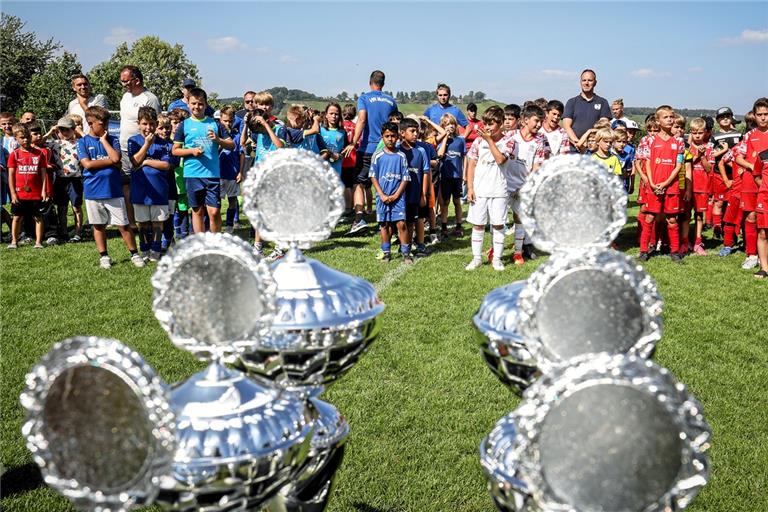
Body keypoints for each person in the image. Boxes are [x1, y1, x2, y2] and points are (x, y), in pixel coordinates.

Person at [77, 106, 145, 268]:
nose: (105, 127)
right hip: (93, 191)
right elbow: (87, 164)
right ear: (90, 123)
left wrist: (103, 142)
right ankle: (104, 256)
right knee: (99, 226)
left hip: (114, 190)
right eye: (102, 124)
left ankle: (134, 254)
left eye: (107, 123)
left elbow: (115, 158)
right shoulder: (82, 142)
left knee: (123, 225)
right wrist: (110, 162)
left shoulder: (112, 140)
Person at [171, 87, 234, 235]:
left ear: (205, 105)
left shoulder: (215, 124)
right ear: (188, 104)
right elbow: (175, 150)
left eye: (200, 104)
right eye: (193, 103)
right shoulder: (184, 125)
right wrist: (191, 151)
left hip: (211, 174)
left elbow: (231, 145)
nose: (196, 107)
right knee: (197, 210)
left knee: (214, 212)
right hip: (192, 174)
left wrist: (218, 140)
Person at [465, 105, 515, 271]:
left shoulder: (509, 141)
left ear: (500, 124)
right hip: (480, 190)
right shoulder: (478, 141)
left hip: (499, 190)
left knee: (498, 225)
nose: (486, 128)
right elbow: (471, 164)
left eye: (491, 124)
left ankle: (497, 260)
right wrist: (470, 187)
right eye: (485, 123)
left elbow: (501, 160)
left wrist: (489, 140)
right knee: (478, 225)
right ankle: (477, 259)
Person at [348, 70, 398, 234]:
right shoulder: (391, 101)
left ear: (370, 82)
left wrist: (354, 142)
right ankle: (385, 222)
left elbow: (361, 119)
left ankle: (359, 219)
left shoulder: (364, 98)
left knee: (359, 184)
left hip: (368, 148)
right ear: (383, 84)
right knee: (384, 184)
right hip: (387, 148)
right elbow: (395, 123)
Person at [638, 105, 685, 263]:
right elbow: (648, 163)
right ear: (657, 121)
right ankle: (644, 251)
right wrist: (651, 182)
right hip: (653, 186)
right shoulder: (649, 140)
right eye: (666, 117)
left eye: (672, 117)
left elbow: (678, 166)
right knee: (650, 217)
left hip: (671, 186)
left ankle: (675, 252)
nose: (670, 120)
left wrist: (665, 183)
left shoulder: (678, 141)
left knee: (672, 220)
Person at [119, 65, 161, 228]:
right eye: (122, 81)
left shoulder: (149, 98)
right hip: (124, 147)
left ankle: (150, 220)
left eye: (126, 81)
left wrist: (148, 144)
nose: (123, 84)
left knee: (146, 182)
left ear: (137, 80)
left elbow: (155, 124)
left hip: (143, 147)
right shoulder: (125, 97)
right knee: (126, 186)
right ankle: (132, 222)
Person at [128, 107, 172, 262]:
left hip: (159, 191)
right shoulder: (133, 140)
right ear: (138, 124)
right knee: (143, 224)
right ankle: (145, 249)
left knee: (157, 224)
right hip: (140, 191)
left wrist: (146, 161)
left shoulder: (164, 143)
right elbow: (134, 162)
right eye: (145, 124)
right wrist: (146, 145)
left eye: (152, 124)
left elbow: (166, 165)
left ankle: (156, 249)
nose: (149, 128)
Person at [508, 104, 550, 263]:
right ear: (525, 120)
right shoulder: (511, 135)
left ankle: (518, 252)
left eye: (541, 122)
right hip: (504, 185)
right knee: (498, 219)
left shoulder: (539, 141)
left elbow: (537, 166)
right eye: (536, 121)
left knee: (520, 218)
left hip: (523, 186)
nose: (539, 125)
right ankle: (494, 249)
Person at [733, 97, 768, 271]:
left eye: (766, 114)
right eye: (759, 114)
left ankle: (765, 258)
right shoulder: (748, 136)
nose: (763, 118)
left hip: (766, 182)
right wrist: (753, 166)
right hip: (750, 181)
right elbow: (738, 156)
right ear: (754, 116)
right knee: (751, 217)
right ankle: (751, 254)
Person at [369, 122, 411, 263]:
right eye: (387, 136)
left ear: (398, 137)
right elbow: (373, 176)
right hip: (382, 196)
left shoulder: (401, 156)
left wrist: (396, 195)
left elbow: (405, 178)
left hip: (398, 197)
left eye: (393, 136)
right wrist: (381, 194)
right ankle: (386, 252)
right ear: (382, 137)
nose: (390, 139)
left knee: (401, 224)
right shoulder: (377, 156)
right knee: (385, 224)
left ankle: (406, 253)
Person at [7, 123, 48, 249]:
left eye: (27, 137)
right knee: (17, 217)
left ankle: (38, 242)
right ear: (16, 139)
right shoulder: (15, 154)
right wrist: (13, 193)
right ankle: (14, 241)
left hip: (35, 193)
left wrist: (44, 191)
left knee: (38, 217)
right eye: (22, 138)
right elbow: (11, 175)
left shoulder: (39, 154)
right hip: (20, 193)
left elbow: (43, 174)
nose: (25, 140)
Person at [46, 117, 84, 242]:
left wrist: (79, 132)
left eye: (67, 130)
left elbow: (91, 140)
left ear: (73, 130)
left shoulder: (79, 142)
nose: (64, 132)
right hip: (60, 180)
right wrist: (51, 131)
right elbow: (38, 142)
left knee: (76, 207)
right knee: (61, 208)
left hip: (75, 179)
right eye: (61, 130)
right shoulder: (54, 143)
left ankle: (78, 232)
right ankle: (63, 232)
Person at [398, 117, 430, 257]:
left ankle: (411, 245)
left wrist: (423, 194)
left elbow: (425, 173)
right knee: (400, 221)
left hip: (415, 193)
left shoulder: (421, 150)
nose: (416, 134)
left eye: (417, 131)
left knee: (412, 220)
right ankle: (403, 244)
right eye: (412, 131)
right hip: (399, 193)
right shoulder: (397, 150)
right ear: (402, 133)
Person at [686, 118, 715, 256]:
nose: (697, 135)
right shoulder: (687, 147)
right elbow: (687, 166)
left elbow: (709, 169)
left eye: (700, 133)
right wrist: (696, 154)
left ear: (705, 133)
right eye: (694, 132)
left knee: (699, 215)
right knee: (685, 215)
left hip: (701, 186)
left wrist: (703, 156)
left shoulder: (709, 147)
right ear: (690, 132)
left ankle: (698, 241)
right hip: (688, 185)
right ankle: (684, 241)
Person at [563, 69, 611, 145]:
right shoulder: (571, 102)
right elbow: (566, 126)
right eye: (584, 80)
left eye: (590, 80)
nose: (586, 83)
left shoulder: (603, 102)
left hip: (595, 149)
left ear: (595, 83)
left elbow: (603, 127)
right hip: (574, 147)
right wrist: (578, 143)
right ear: (580, 82)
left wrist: (591, 143)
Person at [436, 113, 465, 237]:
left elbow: (465, 157)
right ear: (443, 126)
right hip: (445, 176)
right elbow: (440, 154)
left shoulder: (460, 140)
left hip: (457, 176)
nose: (451, 126)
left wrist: (465, 174)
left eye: (452, 124)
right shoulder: (441, 140)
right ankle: (444, 227)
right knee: (445, 202)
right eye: (447, 124)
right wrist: (445, 138)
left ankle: (458, 226)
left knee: (457, 201)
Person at [217, 106, 241, 234]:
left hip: (232, 173)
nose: (228, 123)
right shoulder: (215, 135)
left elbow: (241, 154)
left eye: (230, 121)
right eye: (225, 121)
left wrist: (241, 171)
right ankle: (217, 224)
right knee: (217, 202)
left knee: (232, 200)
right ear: (220, 119)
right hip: (218, 173)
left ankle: (230, 225)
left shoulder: (237, 136)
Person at [319, 102, 353, 178]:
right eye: (331, 113)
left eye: (336, 114)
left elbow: (345, 150)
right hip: (321, 169)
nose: (334, 116)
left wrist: (340, 156)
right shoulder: (319, 130)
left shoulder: (342, 132)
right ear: (326, 115)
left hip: (336, 169)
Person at [340, 104, 358, 216]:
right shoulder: (356, 126)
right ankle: (351, 206)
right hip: (353, 158)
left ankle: (347, 208)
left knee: (345, 185)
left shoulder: (340, 126)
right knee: (351, 185)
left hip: (342, 159)